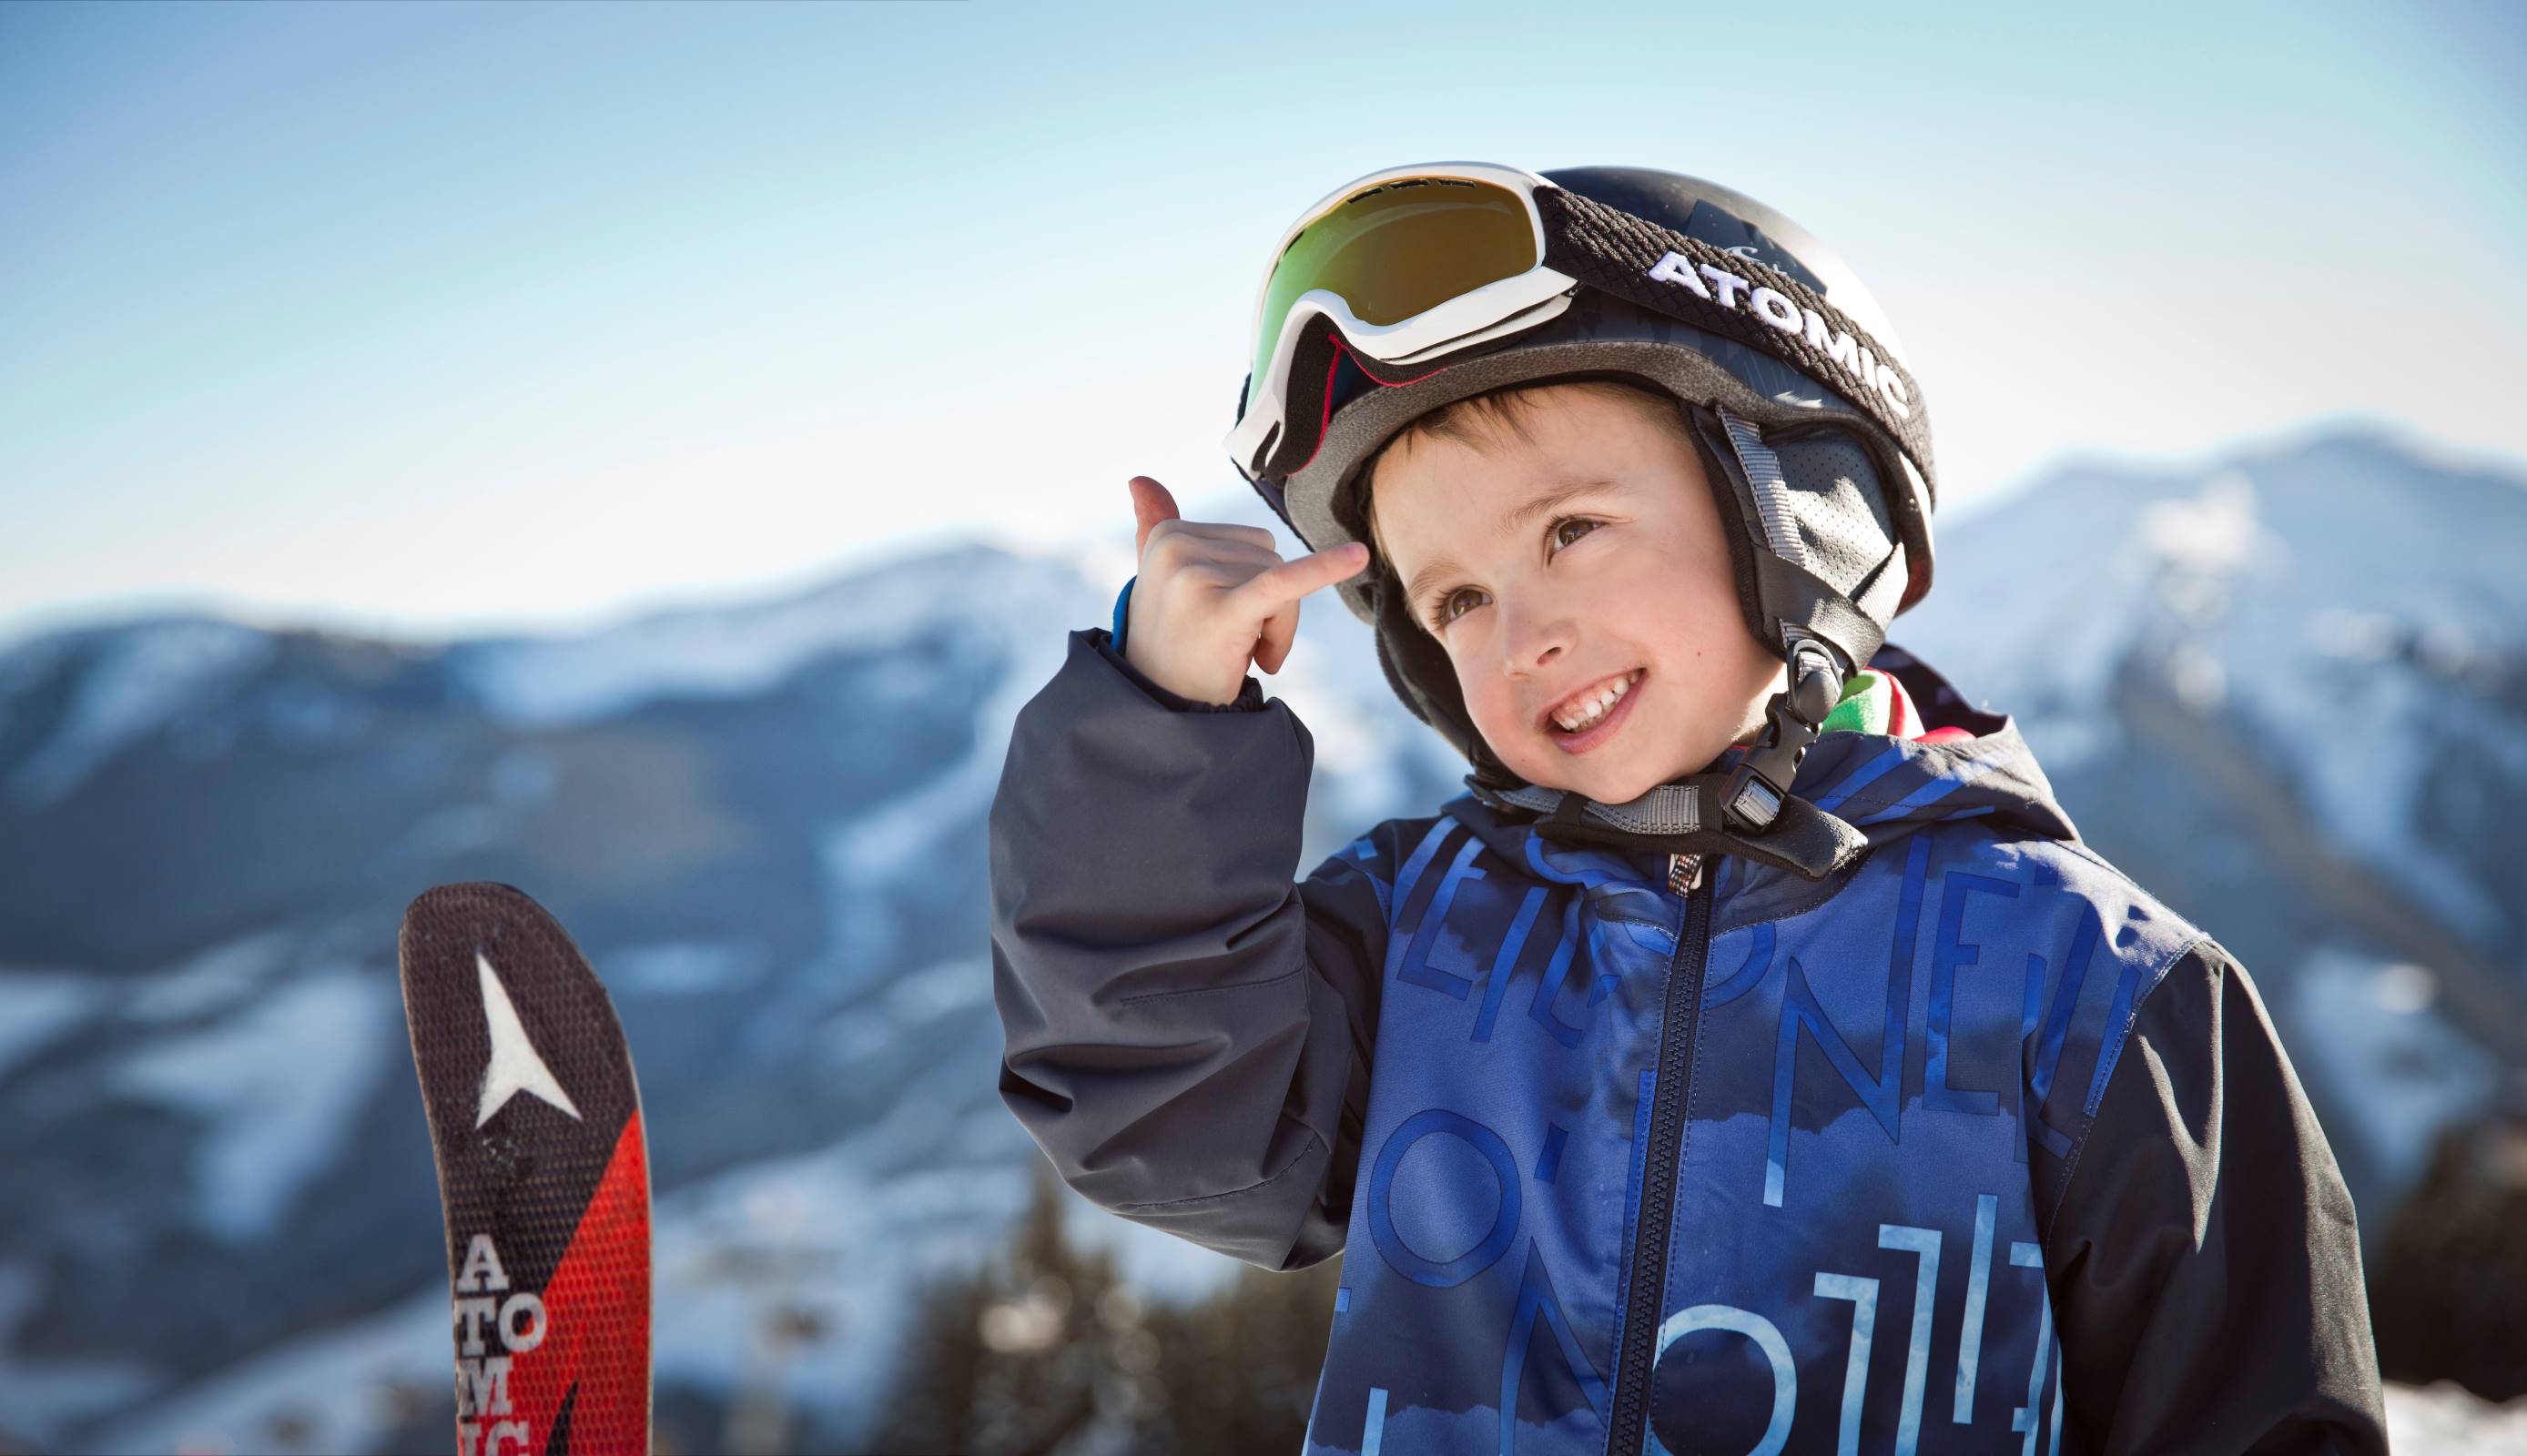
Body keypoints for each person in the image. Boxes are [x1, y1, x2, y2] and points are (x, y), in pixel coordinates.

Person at [989, 163, 2388, 1454]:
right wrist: (1159, 724)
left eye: (1571, 531)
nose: (1522, 632)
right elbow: (1164, 1108)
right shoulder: (1430, 932)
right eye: (1457, 599)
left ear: (1802, 515)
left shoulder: (2097, 989)